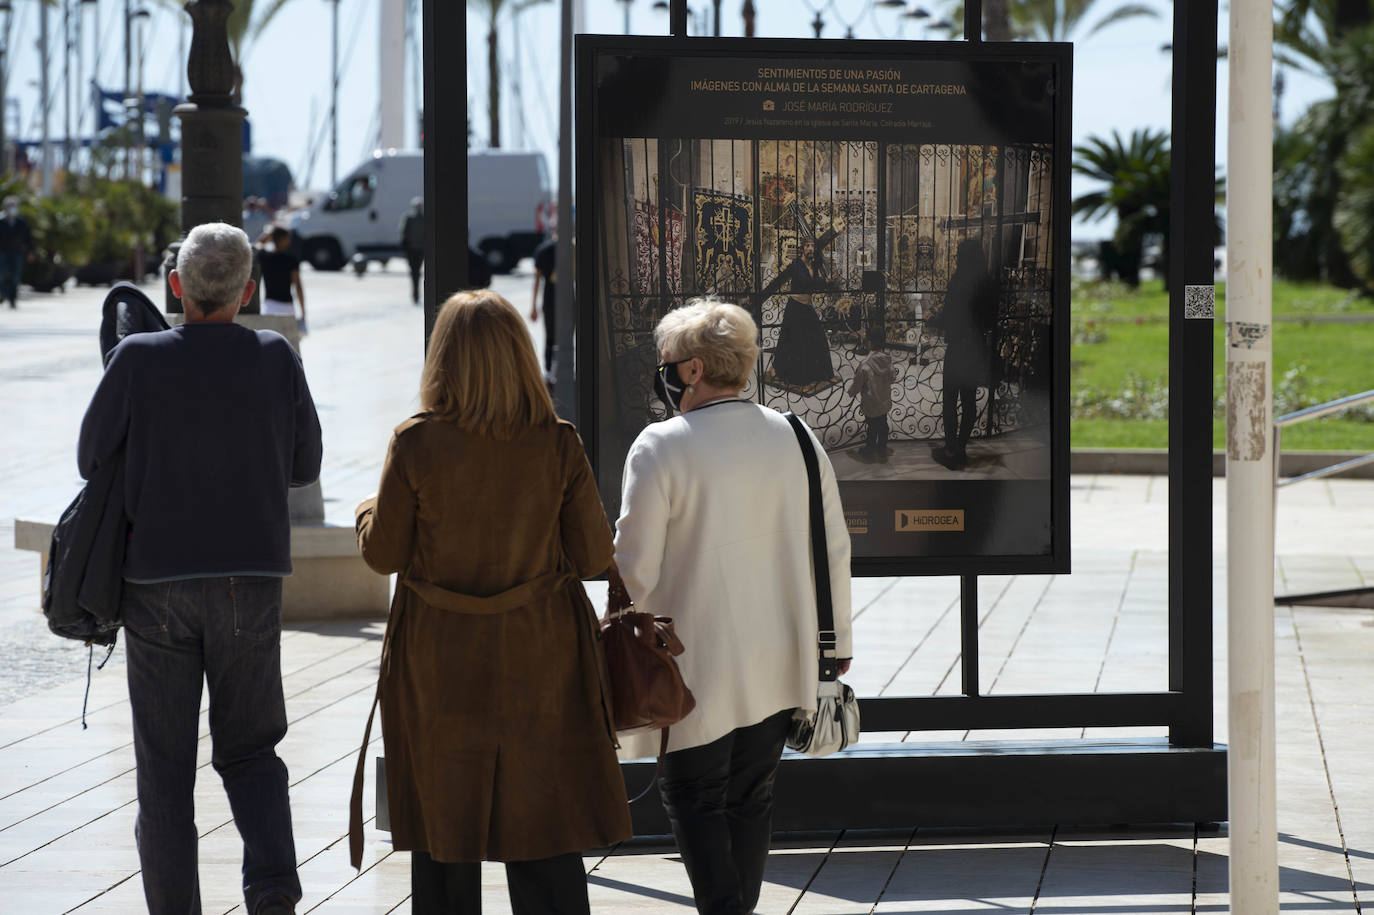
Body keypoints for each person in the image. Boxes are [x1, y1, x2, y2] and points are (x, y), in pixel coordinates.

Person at [352, 290, 631, 914]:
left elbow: (383, 555)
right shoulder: (557, 442)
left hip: (440, 662)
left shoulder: (416, 442)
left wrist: (368, 511)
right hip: (540, 658)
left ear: (443, 358)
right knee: (543, 827)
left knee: (446, 833)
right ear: (520, 356)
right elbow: (591, 557)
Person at [77, 222, 322, 915]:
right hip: (250, 577)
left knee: (163, 773)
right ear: (248, 290)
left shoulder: (136, 359)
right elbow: (305, 466)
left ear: (176, 286)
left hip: (156, 581)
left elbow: (89, 457)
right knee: (250, 751)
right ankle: (272, 892)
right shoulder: (275, 356)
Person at [614, 299, 854, 915]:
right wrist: (839, 647)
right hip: (780, 655)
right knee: (752, 797)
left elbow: (633, 569)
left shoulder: (660, 445)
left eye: (667, 362)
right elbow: (832, 548)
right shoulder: (797, 436)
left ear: (693, 370)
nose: (662, 372)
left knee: (693, 797)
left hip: (695, 659)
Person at [931, 237, 999, 470]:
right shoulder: (987, 283)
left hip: (958, 346)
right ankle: (961, 448)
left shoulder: (958, 282)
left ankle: (951, 450)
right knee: (969, 400)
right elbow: (991, 318)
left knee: (950, 400)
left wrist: (933, 320)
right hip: (976, 346)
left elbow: (949, 317)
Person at [769, 239, 836, 387]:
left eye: (813, 246)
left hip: (806, 306)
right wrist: (824, 282)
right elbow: (804, 282)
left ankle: (826, 374)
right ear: (802, 249)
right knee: (793, 342)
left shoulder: (813, 265)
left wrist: (827, 281)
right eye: (807, 246)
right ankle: (787, 374)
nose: (810, 248)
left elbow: (813, 283)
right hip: (795, 307)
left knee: (819, 338)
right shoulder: (796, 265)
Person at [848, 319, 894, 463]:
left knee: (872, 427)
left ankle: (870, 449)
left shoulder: (865, 365)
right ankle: (882, 447)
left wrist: (851, 392)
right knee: (883, 425)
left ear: (869, 343)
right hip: (884, 402)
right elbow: (892, 377)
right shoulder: (887, 361)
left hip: (871, 403)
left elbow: (858, 383)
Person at [256, 226, 307, 332]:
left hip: (269, 306)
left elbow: (258, 244)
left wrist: (268, 234)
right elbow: (298, 286)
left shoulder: (265, 257)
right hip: (287, 307)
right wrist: (303, 313)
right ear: (283, 239)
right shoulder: (291, 260)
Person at [529, 233, 557, 373]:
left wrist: (534, 307)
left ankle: (549, 369)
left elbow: (536, 281)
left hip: (549, 295)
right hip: (568, 292)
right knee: (567, 333)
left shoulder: (543, 250)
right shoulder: (571, 246)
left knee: (550, 336)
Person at [0, 194, 34, 308]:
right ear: (5, 207)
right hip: (2, 252)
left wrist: (30, 251)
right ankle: (4, 293)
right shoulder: (1, 221)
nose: (12, 208)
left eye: (14, 206)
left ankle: (12, 298)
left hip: (16, 252)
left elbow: (28, 238)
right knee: (2, 274)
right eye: (10, 206)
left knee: (15, 276)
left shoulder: (21, 222)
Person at [400, 197, 425, 305]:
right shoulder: (416, 218)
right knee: (416, 272)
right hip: (417, 249)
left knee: (414, 272)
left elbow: (403, 232)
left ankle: (415, 294)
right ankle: (416, 294)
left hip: (414, 249)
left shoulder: (409, 218)